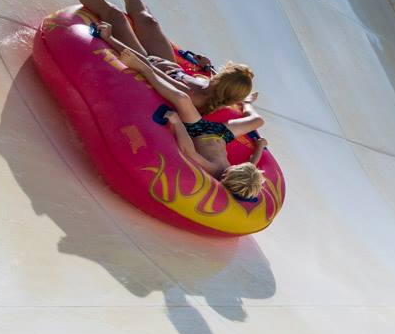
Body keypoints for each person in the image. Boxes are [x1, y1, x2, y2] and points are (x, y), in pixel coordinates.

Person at [52, 0, 255, 116]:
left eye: (220, 73)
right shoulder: (212, 90)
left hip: (148, 65)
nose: (216, 73)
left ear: (221, 83)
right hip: (168, 65)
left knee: (114, 16)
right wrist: (206, 69)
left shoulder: (193, 97)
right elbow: (233, 94)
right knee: (149, 22)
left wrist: (110, 38)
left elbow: (147, 68)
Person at [99, 21, 269, 202]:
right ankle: (248, 102)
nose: (231, 167)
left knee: (182, 99)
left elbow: (189, 150)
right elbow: (252, 163)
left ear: (226, 179)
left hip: (200, 130)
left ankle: (144, 68)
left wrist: (178, 123)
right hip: (222, 135)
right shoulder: (244, 171)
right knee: (258, 121)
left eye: (230, 170)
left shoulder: (212, 168)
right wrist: (259, 147)